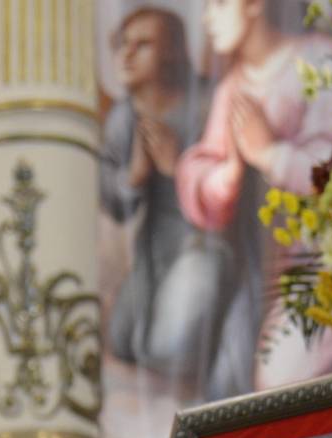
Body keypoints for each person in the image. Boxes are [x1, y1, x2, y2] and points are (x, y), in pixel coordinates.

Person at [175, 0, 332, 397]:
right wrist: (225, 176)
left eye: (218, 4)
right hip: (267, 268)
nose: (207, 18)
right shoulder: (233, 88)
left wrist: (270, 155)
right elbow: (203, 171)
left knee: (281, 381)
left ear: (255, 4)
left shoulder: (319, 59)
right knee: (231, 385)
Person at [99, 7, 233, 385]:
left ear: (172, 51)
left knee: (167, 349)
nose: (126, 55)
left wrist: (178, 168)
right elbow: (114, 204)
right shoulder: (124, 118)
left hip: (204, 248)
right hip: (152, 254)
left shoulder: (208, 103)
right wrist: (133, 177)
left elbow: (235, 196)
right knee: (124, 340)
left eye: (142, 45)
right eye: (123, 44)